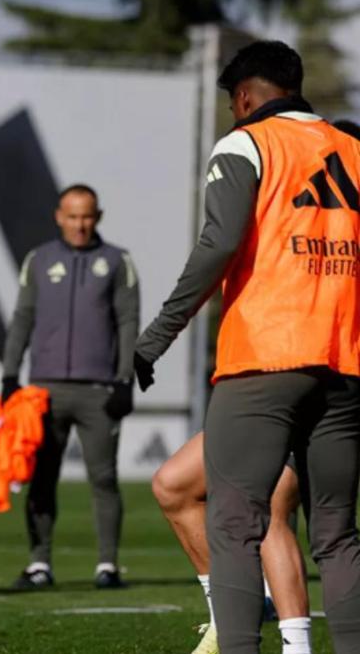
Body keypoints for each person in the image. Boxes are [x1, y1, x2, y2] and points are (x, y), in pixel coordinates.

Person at [135, 40, 360, 654]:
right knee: (338, 538)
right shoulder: (356, 151)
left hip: (265, 358)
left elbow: (217, 246)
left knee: (235, 525)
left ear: (243, 98)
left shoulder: (245, 144)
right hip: (345, 366)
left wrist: (156, 338)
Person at [1, 183, 140, 590]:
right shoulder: (39, 260)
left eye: (87, 216)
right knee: (42, 478)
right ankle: (40, 563)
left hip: (99, 390)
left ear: (97, 217)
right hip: (44, 389)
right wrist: (11, 375)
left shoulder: (118, 261)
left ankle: (107, 566)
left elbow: (128, 323)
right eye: (72, 216)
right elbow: (22, 318)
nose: (80, 224)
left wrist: (124, 379)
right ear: (59, 216)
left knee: (104, 478)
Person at [152, 433, 310, 654]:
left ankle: (298, 648)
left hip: (293, 414)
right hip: (243, 409)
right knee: (172, 485)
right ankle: (222, 620)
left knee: (270, 508)